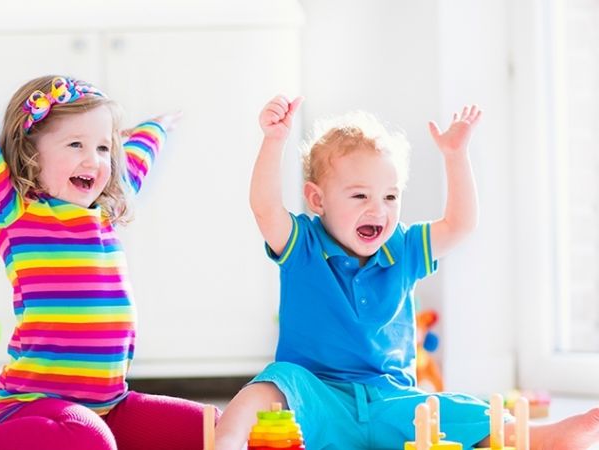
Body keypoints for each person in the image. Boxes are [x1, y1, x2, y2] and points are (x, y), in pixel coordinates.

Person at [0, 1, 214, 449]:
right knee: (87, 439)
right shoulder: (11, 212)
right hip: (32, 404)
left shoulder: (106, 208)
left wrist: (162, 124)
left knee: (217, 427)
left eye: (101, 148)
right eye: (75, 143)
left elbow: (135, 154)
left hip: (109, 404)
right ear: (30, 154)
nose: (93, 160)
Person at [213, 95, 599, 449]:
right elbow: (265, 208)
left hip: (393, 400)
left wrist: (455, 155)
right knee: (270, 385)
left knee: (460, 411)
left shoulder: (405, 247)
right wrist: (273, 141)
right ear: (317, 199)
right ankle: (227, 441)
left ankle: (541, 439)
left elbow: (461, 224)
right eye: (360, 195)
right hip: (316, 397)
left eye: (390, 196)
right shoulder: (304, 245)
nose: (378, 209)